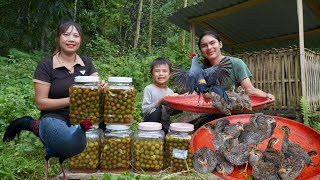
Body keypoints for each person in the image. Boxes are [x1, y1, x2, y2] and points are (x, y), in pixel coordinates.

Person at [190, 30, 275, 130]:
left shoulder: (236, 63)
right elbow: (194, 93)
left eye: (212, 43)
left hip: (236, 116)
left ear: (220, 44)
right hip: (211, 115)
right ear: (201, 50)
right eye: (204, 45)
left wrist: (266, 96)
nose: (209, 48)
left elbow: (249, 90)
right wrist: (176, 96)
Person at [33, 20, 105, 125]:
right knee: (57, 131)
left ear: (80, 40)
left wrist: (103, 88)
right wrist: (73, 100)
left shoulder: (86, 63)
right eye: (66, 35)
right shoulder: (46, 65)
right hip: (55, 117)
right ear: (58, 38)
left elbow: (96, 87)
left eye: (76, 36)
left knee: (109, 126)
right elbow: (41, 103)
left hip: (85, 114)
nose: (71, 39)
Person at [142, 57, 178, 134]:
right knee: (156, 111)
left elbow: (170, 112)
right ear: (152, 73)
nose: (161, 74)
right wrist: (159, 102)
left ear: (170, 74)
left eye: (164, 71)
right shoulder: (149, 89)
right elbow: (145, 110)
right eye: (157, 71)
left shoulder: (170, 92)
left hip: (165, 125)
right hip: (150, 124)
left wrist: (177, 102)